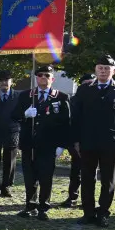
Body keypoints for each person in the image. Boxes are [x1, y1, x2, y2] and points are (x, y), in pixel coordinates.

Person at [70, 55, 115, 226]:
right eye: (100, 68)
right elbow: (76, 116)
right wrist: (75, 140)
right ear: (95, 70)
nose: (103, 71)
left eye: (107, 68)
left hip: (111, 142)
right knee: (87, 178)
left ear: (113, 71)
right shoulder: (84, 89)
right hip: (87, 141)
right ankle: (88, 213)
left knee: (108, 180)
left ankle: (103, 213)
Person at [14, 65, 71, 220]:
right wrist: (24, 114)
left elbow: (66, 124)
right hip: (29, 144)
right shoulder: (26, 95)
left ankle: (43, 207)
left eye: (47, 75)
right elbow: (14, 115)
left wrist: (62, 145)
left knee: (46, 177)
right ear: (36, 78)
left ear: (52, 79)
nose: (43, 78)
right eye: (40, 75)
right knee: (29, 177)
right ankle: (30, 206)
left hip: (49, 144)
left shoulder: (61, 97)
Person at [61, 73, 94, 208]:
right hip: (76, 141)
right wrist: (72, 142)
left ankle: (88, 200)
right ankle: (72, 196)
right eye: (85, 83)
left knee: (91, 173)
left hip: (92, 141)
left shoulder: (97, 99)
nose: (88, 86)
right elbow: (69, 121)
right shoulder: (73, 100)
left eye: (91, 83)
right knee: (76, 172)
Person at [0, 70, 21, 197]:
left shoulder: (18, 96)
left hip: (11, 132)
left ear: (11, 82)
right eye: (1, 80)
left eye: (6, 80)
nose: (4, 83)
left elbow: (22, 115)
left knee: (9, 161)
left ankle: (6, 186)